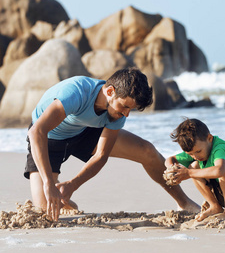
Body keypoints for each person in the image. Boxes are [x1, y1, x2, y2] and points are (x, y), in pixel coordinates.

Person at [25, 67, 199, 221]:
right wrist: (48, 182)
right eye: (124, 107)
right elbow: (36, 132)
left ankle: (183, 202)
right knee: (44, 210)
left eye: (130, 109)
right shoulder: (76, 93)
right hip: (48, 137)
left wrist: (72, 185)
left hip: (85, 130)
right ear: (110, 92)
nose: (126, 114)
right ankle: (63, 199)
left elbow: (101, 155)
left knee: (147, 151)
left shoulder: (116, 113)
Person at [164, 118, 225, 223]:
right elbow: (170, 159)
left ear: (209, 138)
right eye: (190, 154)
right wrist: (172, 169)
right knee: (193, 166)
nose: (195, 156)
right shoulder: (196, 150)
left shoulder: (219, 148)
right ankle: (215, 206)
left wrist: (189, 173)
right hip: (222, 195)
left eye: (198, 151)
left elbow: (219, 170)